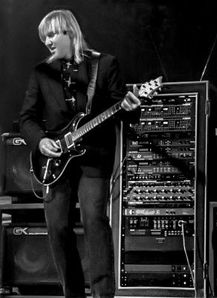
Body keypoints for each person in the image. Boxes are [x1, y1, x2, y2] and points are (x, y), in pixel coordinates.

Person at [20, 9, 141, 298]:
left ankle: (102, 294)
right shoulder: (41, 72)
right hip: (55, 161)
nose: (47, 41)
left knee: (93, 220)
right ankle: (72, 293)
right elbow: (27, 118)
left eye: (52, 34)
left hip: (93, 159)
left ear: (69, 31)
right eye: (44, 37)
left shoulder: (106, 64)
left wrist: (131, 107)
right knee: (58, 226)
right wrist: (40, 142)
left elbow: (122, 111)